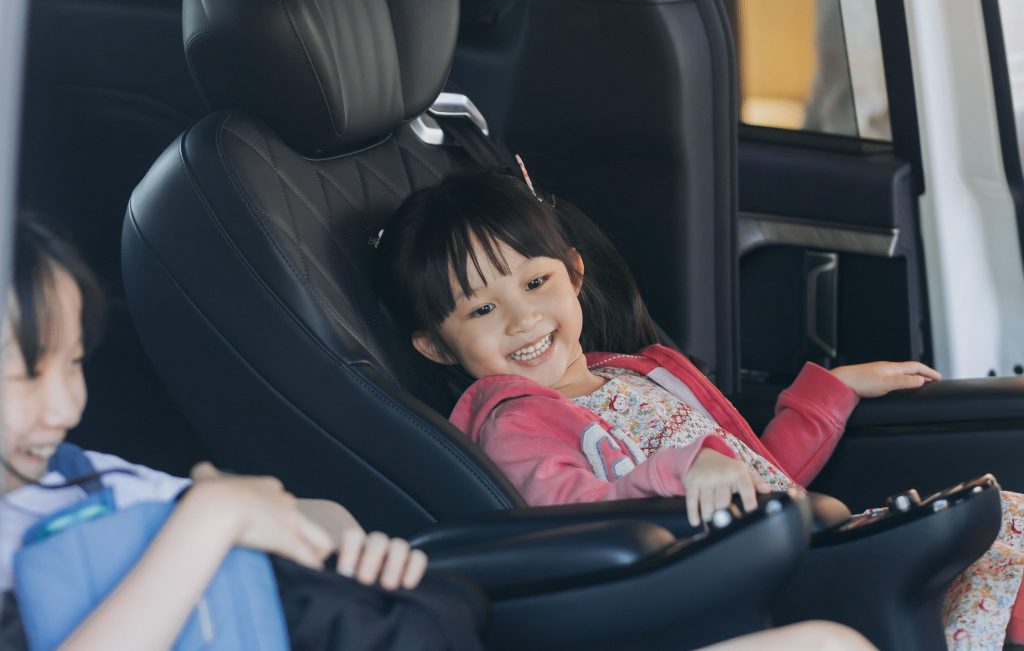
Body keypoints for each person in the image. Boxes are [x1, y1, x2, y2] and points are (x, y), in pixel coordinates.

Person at [376, 168, 1024, 649]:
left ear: (574, 273)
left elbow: (763, 473)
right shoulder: (516, 420)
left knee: (1008, 523)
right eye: (483, 309)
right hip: (737, 585)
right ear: (436, 345)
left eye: (536, 282)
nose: (522, 318)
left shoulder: (637, 373)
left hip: (793, 545)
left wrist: (833, 390)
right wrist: (683, 470)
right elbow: (570, 515)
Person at [0, 213, 483, 651]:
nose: (64, 409)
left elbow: (294, 514)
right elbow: (219, 510)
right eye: (26, 375)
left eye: (75, 362)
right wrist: (209, 519)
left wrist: (353, 554)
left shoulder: (81, 477)